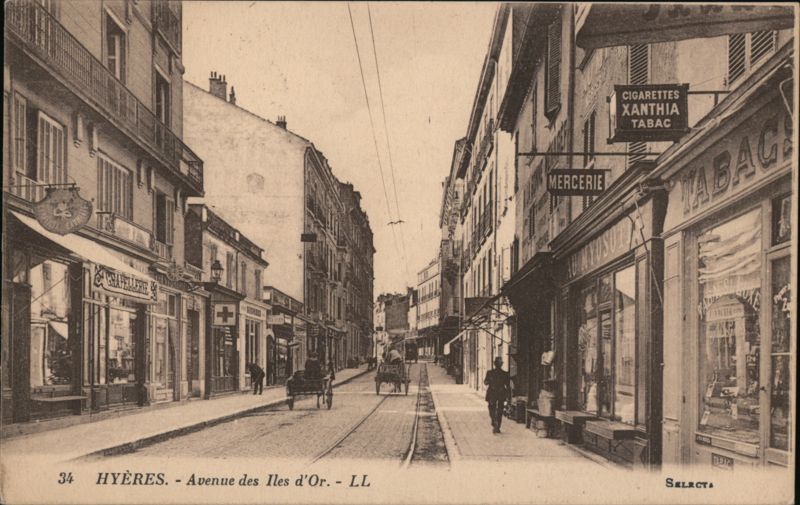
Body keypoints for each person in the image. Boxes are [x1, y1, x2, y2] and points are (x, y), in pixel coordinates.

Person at [484, 357, 511, 434]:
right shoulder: (505, 374)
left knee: (491, 408)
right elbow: (508, 386)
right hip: (501, 393)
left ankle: (494, 421)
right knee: (500, 410)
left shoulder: (490, 373)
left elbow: (485, 382)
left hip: (492, 393)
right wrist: (509, 396)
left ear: (494, 364)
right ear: (501, 364)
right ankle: (497, 426)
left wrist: (489, 382)